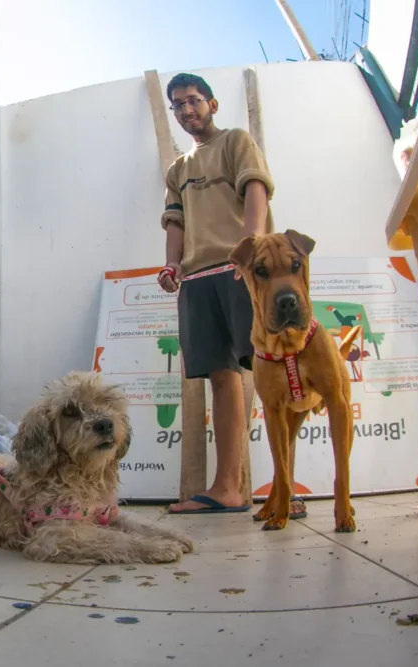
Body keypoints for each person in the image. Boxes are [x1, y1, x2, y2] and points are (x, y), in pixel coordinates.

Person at [157, 74, 303, 519]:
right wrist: (172, 265)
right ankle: (227, 489)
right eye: (178, 105)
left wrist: (250, 251)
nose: (187, 110)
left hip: (241, 270)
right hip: (198, 279)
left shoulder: (236, 141)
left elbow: (255, 189)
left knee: (273, 372)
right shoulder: (177, 170)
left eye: (194, 100)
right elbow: (175, 222)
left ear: (212, 104)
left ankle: (285, 488)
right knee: (221, 378)